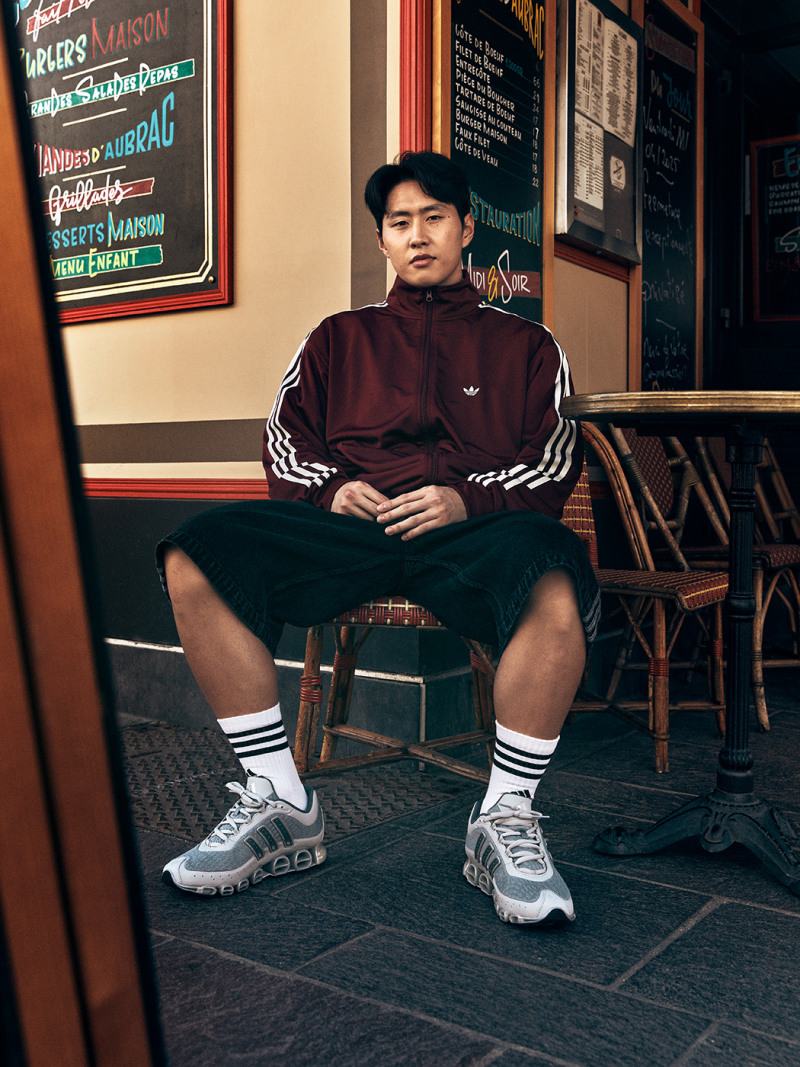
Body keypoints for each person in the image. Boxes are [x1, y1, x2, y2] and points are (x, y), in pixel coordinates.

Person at [157, 151, 600, 925]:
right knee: (197, 551)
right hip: (352, 531)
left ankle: (503, 815)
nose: (418, 235)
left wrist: (466, 498)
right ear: (382, 240)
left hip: (471, 534)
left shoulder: (528, 346)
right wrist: (331, 489)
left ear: (467, 228)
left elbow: (555, 457)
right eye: (400, 223)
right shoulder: (337, 338)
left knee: (554, 574)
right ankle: (279, 797)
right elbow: (285, 439)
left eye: (434, 217)